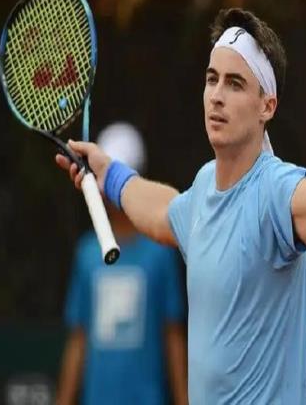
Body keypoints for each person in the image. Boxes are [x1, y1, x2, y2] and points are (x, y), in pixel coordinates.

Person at [56, 8, 306, 404]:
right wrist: (110, 174)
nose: (217, 95)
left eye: (235, 83)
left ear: (266, 106)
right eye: (212, 79)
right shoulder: (203, 188)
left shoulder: (276, 190)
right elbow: (163, 212)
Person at [56, 122, 187, 405]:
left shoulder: (161, 251)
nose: (112, 188)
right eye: (106, 176)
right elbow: (78, 338)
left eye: (120, 176)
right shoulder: (87, 254)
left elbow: (172, 334)